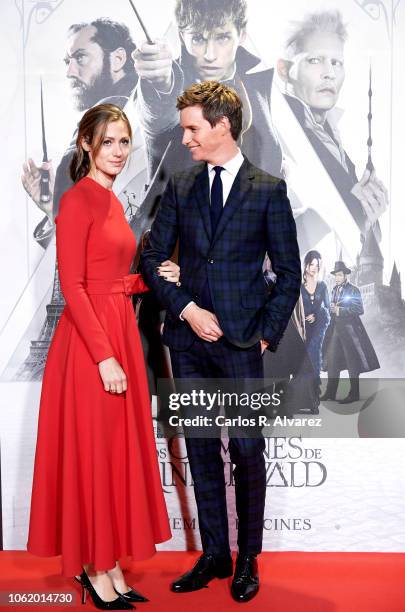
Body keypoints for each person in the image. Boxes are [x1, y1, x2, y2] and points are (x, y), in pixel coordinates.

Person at [141, 81, 300, 603]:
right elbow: (151, 259)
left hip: (239, 346)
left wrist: (262, 337)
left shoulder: (267, 188)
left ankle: (248, 557)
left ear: (221, 125)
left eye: (192, 128)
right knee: (202, 450)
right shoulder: (181, 186)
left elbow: (290, 274)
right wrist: (186, 307)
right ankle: (215, 554)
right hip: (187, 342)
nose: (185, 137)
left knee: (248, 450)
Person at [27, 104, 180, 609]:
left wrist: (155, 278)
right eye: (109, 142)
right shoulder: (77, 202)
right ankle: (94, 568)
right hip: (91, 345)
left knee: (113, 456)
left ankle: (109, 560)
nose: (118, 151)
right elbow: (72, 284)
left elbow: (111, 276)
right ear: (87, 145)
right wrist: (103, 358)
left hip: (118, 330)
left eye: (124, 142)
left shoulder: (111, 201)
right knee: (94, 454)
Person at [131, 0, 282, 236]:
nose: (210, 55)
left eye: (222, 38)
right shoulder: (174, 85)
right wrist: (160, 81)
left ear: (241, 35)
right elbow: (158, 114)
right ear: (182, 36)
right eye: (198, 39)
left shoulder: (259, 89)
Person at [22, 18, 139, 249]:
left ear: (118, 59)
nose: (69, 71)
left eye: (80, 57)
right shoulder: (102, 118)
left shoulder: (133, 111)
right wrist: (53, 207)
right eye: (67, 61)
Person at [277, 10, 388, 250]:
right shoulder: (274, 132)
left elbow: (364, 241)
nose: (329, 72)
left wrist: (369, 214)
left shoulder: (331, 137)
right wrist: (349, 208)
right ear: (284, 70)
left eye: (336, 62)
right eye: (315, 60)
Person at [321, 260, 380, 404]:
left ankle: (354, 394)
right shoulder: (334, 289)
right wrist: (331, 309)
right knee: (332, 360)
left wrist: (340, 310)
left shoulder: (353, 290)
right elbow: (332, 308)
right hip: (335, 330)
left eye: (340, 275)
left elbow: (359, 309)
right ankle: (330, 392)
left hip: (350, 331)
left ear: (345, 275)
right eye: (336, 275)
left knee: (352, 362)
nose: (337, 278)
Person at [301, 250, 330, 386]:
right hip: (303, 326)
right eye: (312, 264)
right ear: (306, 265)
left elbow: (328, 308)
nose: (314, 268)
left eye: (317, 265)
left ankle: (315, 384)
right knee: (303, 354)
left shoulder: (322, 286)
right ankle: (304, 391)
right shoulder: (299, 288)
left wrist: (316, 315)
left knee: (314, 348)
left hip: (319, 324)